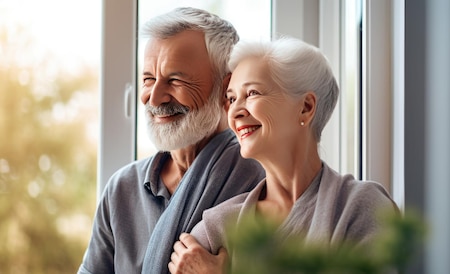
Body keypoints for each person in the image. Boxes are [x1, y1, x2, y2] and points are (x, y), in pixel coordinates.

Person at [167, 37, 399, 273]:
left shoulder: (361, 206)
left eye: (253, 93)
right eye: (232, 98)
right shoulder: (218, 226)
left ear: (306, 107)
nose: (235, 111)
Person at [78, 7, 265, 274]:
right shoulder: (122, 189)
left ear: (227, 90)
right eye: (148, 79)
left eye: (175, 80)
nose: (154, 99)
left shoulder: (263, 183)